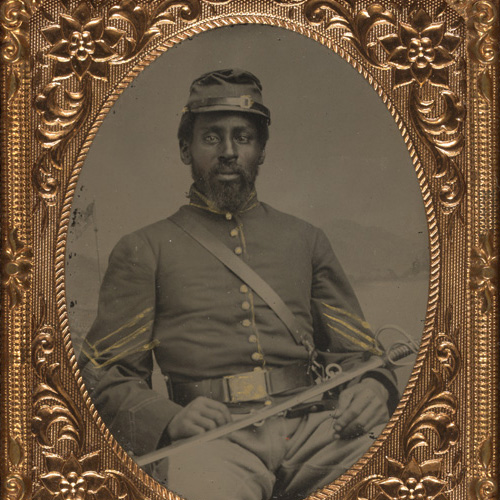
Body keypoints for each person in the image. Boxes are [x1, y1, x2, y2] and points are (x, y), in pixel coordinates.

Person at [79, 69, 399, 500]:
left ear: (261, 151)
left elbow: (359, 355)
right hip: (212, 443)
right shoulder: (144, 248)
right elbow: (103, 375)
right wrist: (170, 420)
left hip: (318, 430)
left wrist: (375, 388)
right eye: (211, 137)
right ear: (184, 148)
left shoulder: (306, 240)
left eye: (243, 138)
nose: (228, 151)